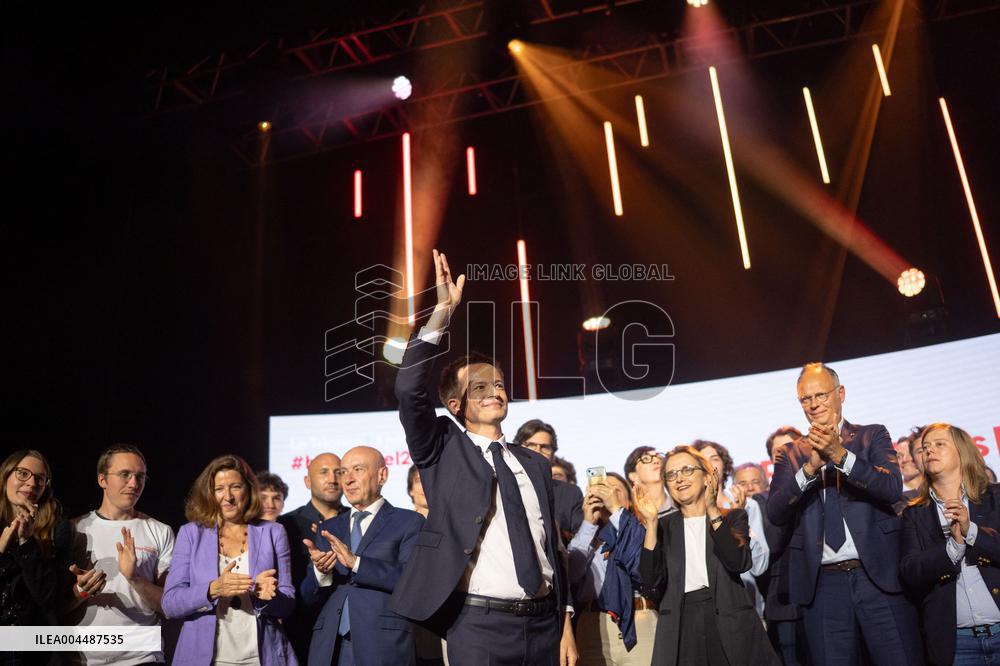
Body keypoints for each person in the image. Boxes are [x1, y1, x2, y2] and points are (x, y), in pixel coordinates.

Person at [390, 249, 574, 665]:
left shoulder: (535, 464)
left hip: (544, 624)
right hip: (478, 624)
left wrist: (564, 621)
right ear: (455, 405)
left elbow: (551, 548)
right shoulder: (441, 447)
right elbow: (408, 391)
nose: (494, 391)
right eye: (478, 387)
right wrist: (441, 315)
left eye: (500, 384)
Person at [767, 362, 922, 666]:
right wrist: (810, 468)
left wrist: (841, 456)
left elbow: (891, 488)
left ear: (841, 394)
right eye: (805, 399)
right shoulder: (792, 453)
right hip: (823, 585)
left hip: (877, 575)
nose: (813, 405)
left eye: (821, 395)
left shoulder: (871, 435)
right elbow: (775, 511)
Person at [635, 445, 779, 665]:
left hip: (728, 620)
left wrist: (713, 510)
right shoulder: (663, 526)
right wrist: (651, 524)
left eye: (687, 470)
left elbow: (738, 562)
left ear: (707, 477)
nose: (679, 479)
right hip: (682, 623)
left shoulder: (732, 518)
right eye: (671, 475)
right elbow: (651, 583)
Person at [162, 455, 296, 665]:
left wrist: (265, 596)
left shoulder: (274, 532)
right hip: (205, 658)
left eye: (235, 487)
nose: (228, 497)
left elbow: (287, 605)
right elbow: (170, 604)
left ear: (249, 490)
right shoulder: (190, 534)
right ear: (209, 494)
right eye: (219, 489)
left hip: (261, 657)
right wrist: (213, 589)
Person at [301, 446, 424, 665]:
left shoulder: (408, 522)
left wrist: (356, 563)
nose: (347, 480)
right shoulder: (328, 528)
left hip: (382, 643)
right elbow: (309, 597)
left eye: (357, 470)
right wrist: (321, 574)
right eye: (343, 472)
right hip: (331, 647)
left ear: (382, 475)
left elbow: (412, 580)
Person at [66, 444, 175, 666]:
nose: (134, 484)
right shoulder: (75, 529)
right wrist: (81, 591)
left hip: (142, 658)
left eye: (140, 476)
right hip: (82, 659)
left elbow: (169, 606)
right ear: (102, 480)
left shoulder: (160, 531)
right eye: (125, 475)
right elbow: (52, 606)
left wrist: (134, 577)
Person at [900, 423, 1000, 665]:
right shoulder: (915, 513)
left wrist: (971, 531)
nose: (929, 451)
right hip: (956, 645)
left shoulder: (995, 497)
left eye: (939, 444)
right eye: (925, 448)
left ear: (962, 451)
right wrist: (953, 547)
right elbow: (910, 571)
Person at [569, 472, 656, 665]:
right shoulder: (586, 534)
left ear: (628, 499)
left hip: (637, 622)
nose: (606, 494)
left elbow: (642, 570)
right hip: (592, 626)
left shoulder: (642, 529)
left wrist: (617, 512)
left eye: (614, 490)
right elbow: (571, 575)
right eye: (601, 488)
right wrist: (588, 524)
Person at [0, 450, 71, 666]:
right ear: (5, 476)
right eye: (22, 474)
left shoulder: (56, 528)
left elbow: (47, 597)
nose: (31, 483)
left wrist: (26, 543)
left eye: (40, 478)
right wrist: (1, 550)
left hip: (31, 647)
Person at [277, 452, 346, 662]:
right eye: (323, 472)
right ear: (307, 481)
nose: (333, 479)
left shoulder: (357, 521)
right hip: (302, 631)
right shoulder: (285, 525)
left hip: (348, 630)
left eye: (339, 472)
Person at [693, 441, 770, 616]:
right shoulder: (688, 511)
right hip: (706, 602)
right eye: (702, 459)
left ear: (724, 464)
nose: (709, 464)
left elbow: (760, 566)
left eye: (715, 458)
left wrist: (741, 519)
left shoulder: (747, 505)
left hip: (744, 597)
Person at [760, 426, 807, 666]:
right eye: (779, 452)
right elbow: (770, 541)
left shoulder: (826, 487)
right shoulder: (762, 501)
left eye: (792, 447)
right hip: (784, 596)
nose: (787, 454)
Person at [514, 419, 584, 543]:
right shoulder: (502, 485)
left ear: (552, 455)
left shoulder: (570, 494)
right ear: (516, 449)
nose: (537, 451)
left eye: (544, 447)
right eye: (530, 445)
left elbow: (581, 536)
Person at [624, 447, 675, 517]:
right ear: (634, 475)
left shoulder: (681, 507)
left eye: (659, 458)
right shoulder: (629, 519)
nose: (656, 461)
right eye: (646, 458)